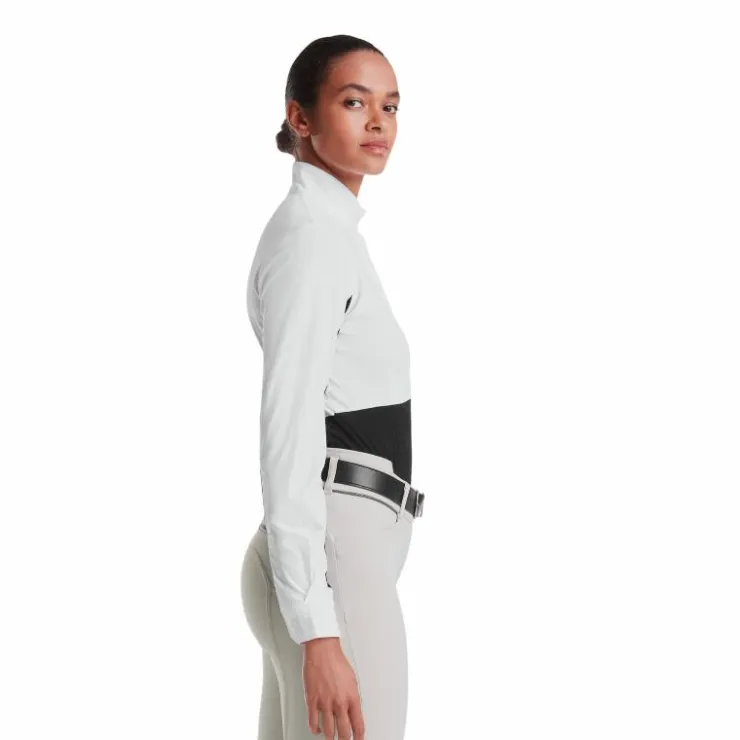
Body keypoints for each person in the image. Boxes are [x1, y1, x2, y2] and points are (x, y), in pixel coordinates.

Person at [240, 34, 425, 740]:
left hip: (335, 556)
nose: (379, 122)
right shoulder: (313, 241)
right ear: (301, 116)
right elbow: (288, 428)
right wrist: (319, 631)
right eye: (354, 102)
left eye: (390, 106)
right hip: (333, 562)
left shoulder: (325, 231)